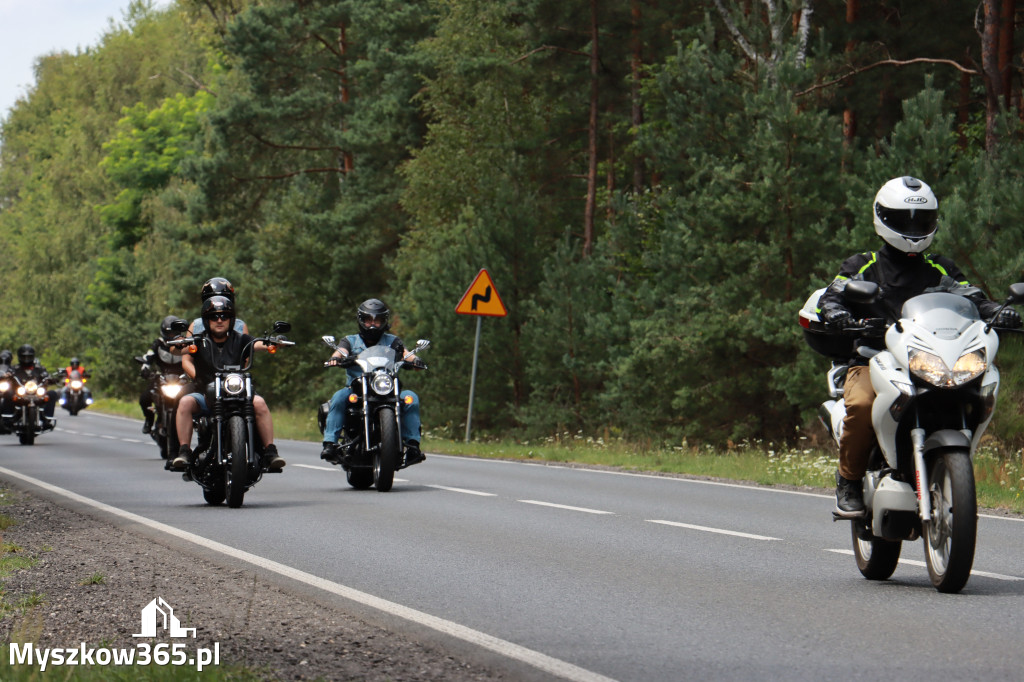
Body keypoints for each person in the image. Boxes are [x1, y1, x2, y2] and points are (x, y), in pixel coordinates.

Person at [818, 176, 1021, 518]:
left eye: (921, 220)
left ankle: (947, 469)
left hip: (927, 358)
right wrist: (837, 313)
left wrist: (1001, 312)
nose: (913, 227)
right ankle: (848, 481)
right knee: (864, 404)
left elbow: (972, 298)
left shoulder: (940, 267)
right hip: (871, 359)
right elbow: (832, 295)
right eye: (903, 218)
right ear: (882, 217)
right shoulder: (862, 265)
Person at [170, 296, 285, 471]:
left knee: (260, 403)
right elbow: (175, 350)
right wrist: (180, 343)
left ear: (231, 319)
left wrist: (273, 342)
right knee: (185, 402)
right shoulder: (199, 340)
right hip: (206, 395)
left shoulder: (241, 339)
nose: (219, 320)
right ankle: (184, 451)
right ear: (206, 320)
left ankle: (270, 452)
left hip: (236, 393)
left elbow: (258, 344)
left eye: (224, 316)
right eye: (214, 316)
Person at [320, 298, 425, 465]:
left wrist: (416, 360)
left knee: (411, 398)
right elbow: (339, 352)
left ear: (384, 321)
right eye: (369, 320)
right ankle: (330, 444)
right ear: (361, 320)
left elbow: (405, 353)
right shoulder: (350, 340)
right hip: (356, 389)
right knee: (339, 397)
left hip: (387, 388)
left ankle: (412, 446)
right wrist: (335, 359)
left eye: (377, 320)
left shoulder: (393, 341)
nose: (373, 324)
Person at [136, 315, 186, 434]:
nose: (172, 336)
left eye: (174, 333)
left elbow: (194, 358)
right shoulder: (158, 343)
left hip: (181, 378)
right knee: (144, 399)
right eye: (169, 334)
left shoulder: (185, 343)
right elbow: (148, 356)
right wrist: (145, 368)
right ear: (163, 333)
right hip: (162, 377)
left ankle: (197, 424)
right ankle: (149, 419)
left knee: (193, 399)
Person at [10, 344, 59, 423]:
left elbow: (46, 375)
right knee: (8, 393)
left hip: (37, 394)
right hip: (20, 394)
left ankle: (47, 418)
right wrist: (6, 376)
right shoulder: (15, 369)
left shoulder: (39, 368)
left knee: (52, 393)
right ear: (20, 357)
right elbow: (8, 374)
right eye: (24, 357)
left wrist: (51, 379)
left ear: (32, 357)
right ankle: (7, 417)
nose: (26, 359)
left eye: (29, 357)